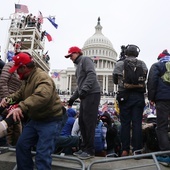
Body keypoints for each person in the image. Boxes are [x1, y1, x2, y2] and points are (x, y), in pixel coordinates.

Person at [0, 52, 64, 170]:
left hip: (50, 120)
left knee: (42, 154)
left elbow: (41, 96)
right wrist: (8, 99)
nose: (17, 73)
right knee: (22, 146)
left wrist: (21, 107)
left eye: (18, 70)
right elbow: (20, 93)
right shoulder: (27, 78)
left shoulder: (42, 77)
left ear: (24, 67)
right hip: (36, 119)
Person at [65, 46, 101, 159]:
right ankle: (85, 148)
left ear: (77, 53)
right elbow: (79, 86)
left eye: (71, 55)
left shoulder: (85, 60)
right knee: (82, 122)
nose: (70, 58)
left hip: (92, 94)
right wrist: (72, 98)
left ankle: (90, 150)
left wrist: (85, 89)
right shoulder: (78, 67)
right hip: (85, 95)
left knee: (89, 122)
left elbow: (91, 74)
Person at [113, 44, 148, 156]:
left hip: (125, 96)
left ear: (126, 53)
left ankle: (125, 149)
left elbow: (115, 80)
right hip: (138, 96)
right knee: (137, 123)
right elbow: (144, 77)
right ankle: (137, 150)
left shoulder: (120, 64)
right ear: (136, 53)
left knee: (125, 124)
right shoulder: (142, 63)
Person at [147, 49, 170, 165]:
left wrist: (151, 97)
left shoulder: (157, 65)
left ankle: (165, 154)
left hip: (163, 99)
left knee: (162, 127)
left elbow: (152, 81)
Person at [0, 60, 22, 146]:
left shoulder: (22, 71)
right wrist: (6, 100)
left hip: (14, 100)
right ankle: (5, 147)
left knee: (16, 126)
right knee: (9, 127)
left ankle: (13, 148)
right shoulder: (10, 66)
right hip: (6, 100)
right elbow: (3, 82)